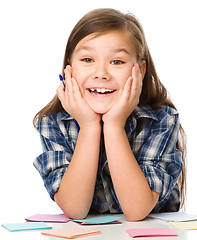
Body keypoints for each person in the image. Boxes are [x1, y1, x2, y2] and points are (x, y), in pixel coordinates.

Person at [33, 8, 187, 222]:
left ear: (139, 70)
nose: (101, 73)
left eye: (117, 62)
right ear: (69, 67)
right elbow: (75, 209)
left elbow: (136, 210)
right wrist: (89, 127)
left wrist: (114, 125)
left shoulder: (162, 119)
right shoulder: (52, 122)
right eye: (87, 59)